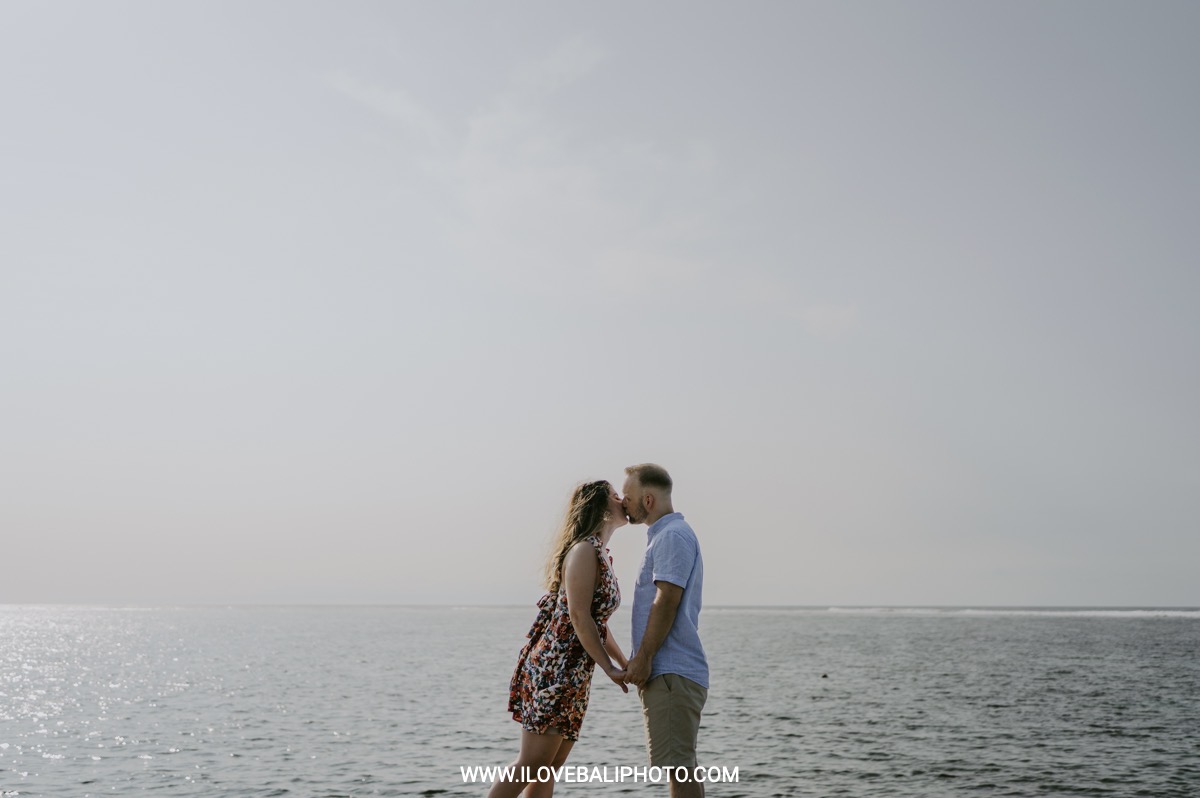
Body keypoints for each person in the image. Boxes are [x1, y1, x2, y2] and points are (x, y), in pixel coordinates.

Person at [489, 480, 630, 798]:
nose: (622, 499)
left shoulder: (599, 553)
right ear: (599, 506)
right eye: (615, 495)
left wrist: (623, 663)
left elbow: (597, 623)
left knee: (548, 767)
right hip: (554, 668)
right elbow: (579, 617)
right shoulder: (584, 550)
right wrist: (609, 668)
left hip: (574, 672)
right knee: (532, 763)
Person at [621, 464, 708, 798]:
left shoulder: (671, 536)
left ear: (647, 500)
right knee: (681, 766)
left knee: (679, 767)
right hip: (671, 671)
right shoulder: (666, 535)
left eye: (628, 496)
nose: (623, 502)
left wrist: (644, 657)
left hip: (671, 670)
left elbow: (667, 599)